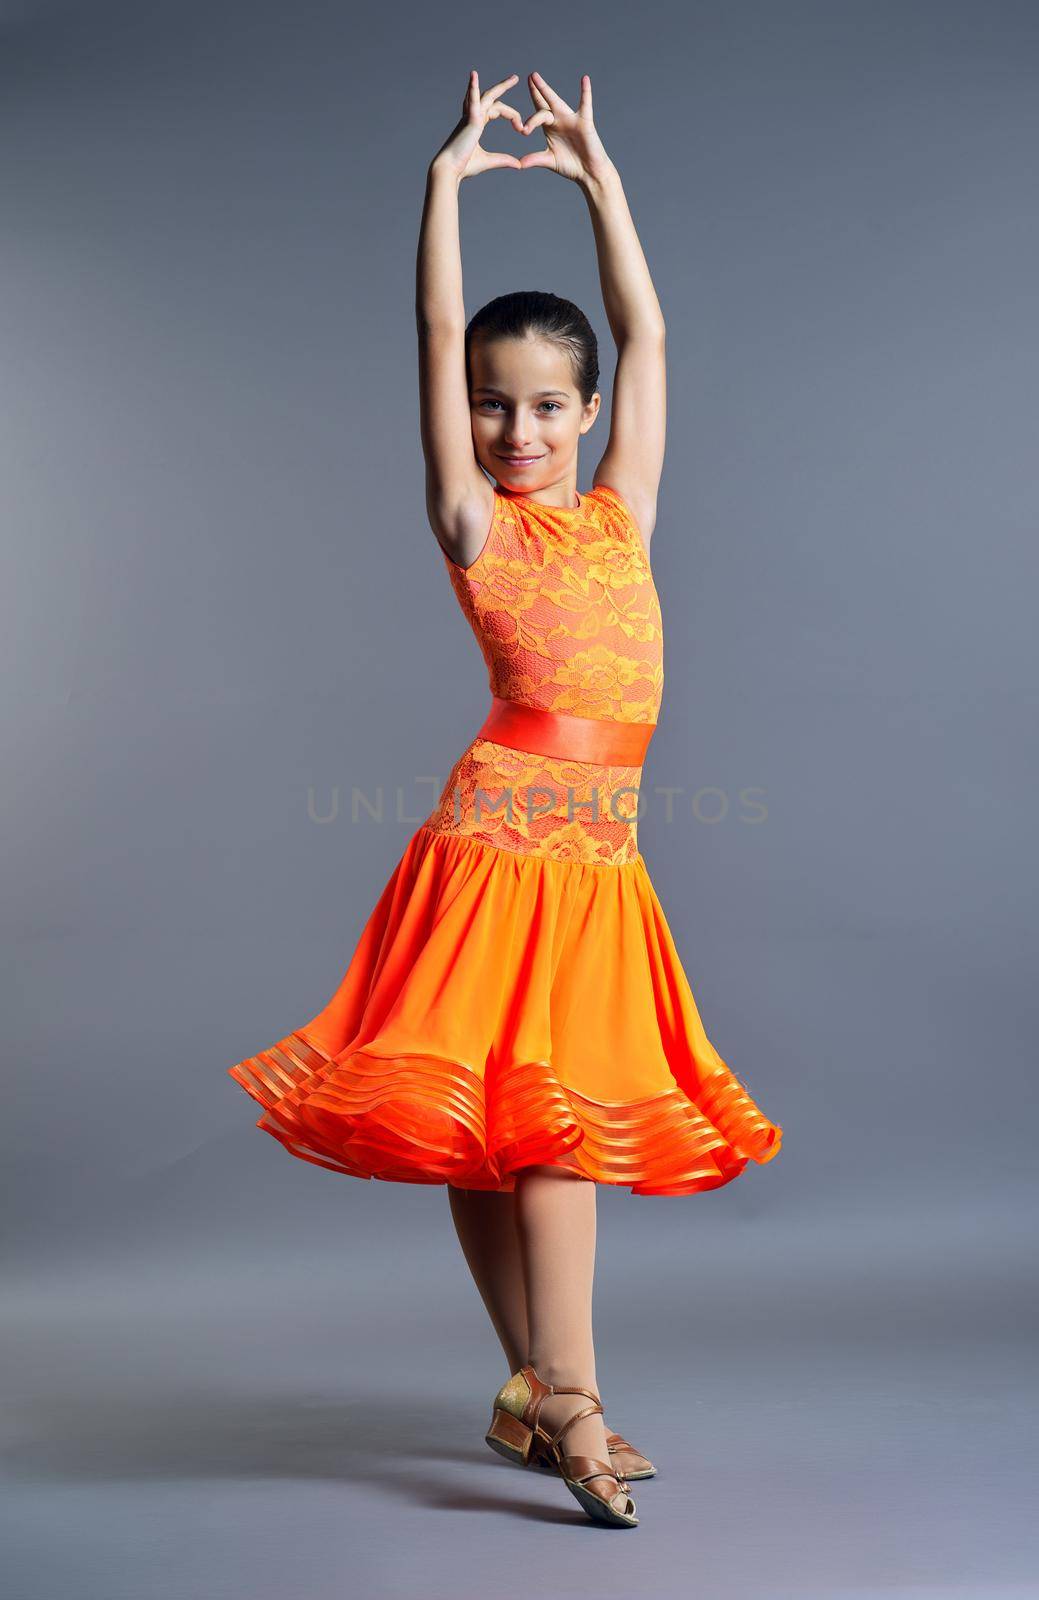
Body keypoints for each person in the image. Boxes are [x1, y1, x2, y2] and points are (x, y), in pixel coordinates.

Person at [228, 68, 782, 1529]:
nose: (518, 430)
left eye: (546, 406)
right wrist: (448, 186)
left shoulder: (625, 510)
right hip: (494, 848)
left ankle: (534, 1395)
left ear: (591, 413)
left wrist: (603, 185)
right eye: (493, 407)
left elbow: (654, 329)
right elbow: (428, 326)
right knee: (536, 1127)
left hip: (598, 862)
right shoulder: (474, 525)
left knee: (514, 1125)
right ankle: (580, 1411)